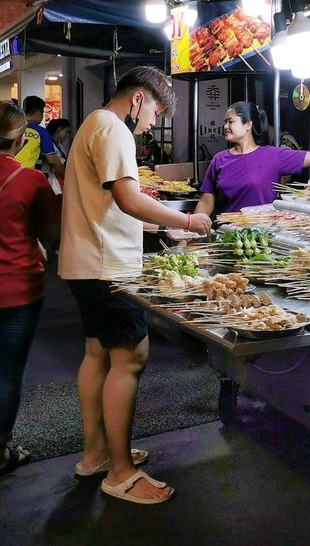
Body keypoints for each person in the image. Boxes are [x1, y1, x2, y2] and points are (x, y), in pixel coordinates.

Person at [58, 66, 212, 505]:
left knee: (97, 352)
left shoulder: (92, 122)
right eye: (154, 114)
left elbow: (107, 205)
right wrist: (187, 220)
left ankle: (97, 454)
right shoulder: (114, 129)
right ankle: (122, 472)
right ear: (139, 99)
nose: (150, 125)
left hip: (85, 262)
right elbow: (127, 198)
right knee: (131, 357)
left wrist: (156, 229)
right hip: (108, 269)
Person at [0, 101, 59, 477]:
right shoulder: (30, 181)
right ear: (22, 138)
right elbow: (50, 233)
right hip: (18, 290)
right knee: (7, 374)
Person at [195, 101, 310, 215]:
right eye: (225, 122)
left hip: (262, 235)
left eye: (230, 121)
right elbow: (206, 201)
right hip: (227, 233)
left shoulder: (272, 155)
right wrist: (189, 229)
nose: (225, 126)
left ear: (248, 125)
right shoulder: (219, 159)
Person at [15, 96, 65, 180]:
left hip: (8, 173)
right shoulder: (41, 132)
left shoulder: (12, 128)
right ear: (38, 113)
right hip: (27, 176)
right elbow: (52, 160)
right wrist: (66, 174)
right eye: (42, 112)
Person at [42, 118, 71, 194]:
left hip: (57, 178)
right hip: (50, 178)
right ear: (59, 130)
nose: (67, 135)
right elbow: (54, 162)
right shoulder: (49, 144)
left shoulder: (59, 144)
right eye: (66, 132)